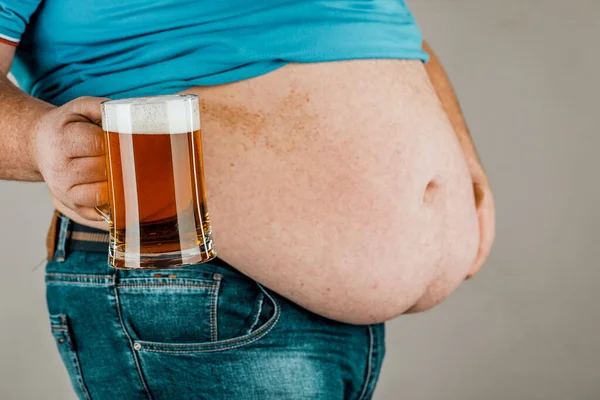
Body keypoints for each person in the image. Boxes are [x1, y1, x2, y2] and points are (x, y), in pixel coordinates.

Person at [0, 0, 495, 399]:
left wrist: (462, 158)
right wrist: (39, 141)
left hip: (340, 318)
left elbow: (384, 32)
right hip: (193, 271)